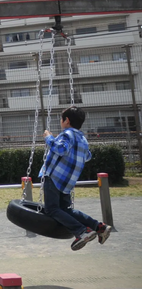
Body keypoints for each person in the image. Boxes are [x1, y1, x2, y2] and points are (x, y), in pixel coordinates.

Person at [40, 106, 112, 251]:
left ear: (66, 120)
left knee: (52, 209)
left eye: (61, 119)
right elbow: (87, 156)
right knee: (66, 210)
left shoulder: (67, 134)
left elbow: (61, 149)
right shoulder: (83, 139)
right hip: (68, 182)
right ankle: (99, 227)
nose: (61, 122)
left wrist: (49, 137)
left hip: (55, 177)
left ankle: (81, 231)